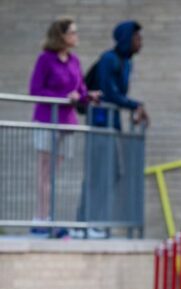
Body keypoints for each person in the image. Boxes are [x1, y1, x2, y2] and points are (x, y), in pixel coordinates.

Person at [73, 20, 148, 239]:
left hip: (112, 124)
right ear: (126, 39)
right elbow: (109, 93)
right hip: (98, 122)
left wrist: (133, 108)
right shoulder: (109, 59)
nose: (140, 42)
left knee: (112, 172)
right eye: (137, 37)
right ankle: (85, 224)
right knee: (98, 174)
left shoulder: (126, 63)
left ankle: (92, 221)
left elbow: (119, 96)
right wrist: (136, 105)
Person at [29, 17, 100, 237]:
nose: (76, 36)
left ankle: (48, 217)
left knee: (53, 174)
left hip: (66, 124)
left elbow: (79, 90)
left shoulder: (74, 61)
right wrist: (63, 97)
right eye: (72, 32)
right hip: (47, 120)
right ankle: (41, 219)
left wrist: (88, 96)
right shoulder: (45, 60)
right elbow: (35, 90)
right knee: (44, 173)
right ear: (61, 36)